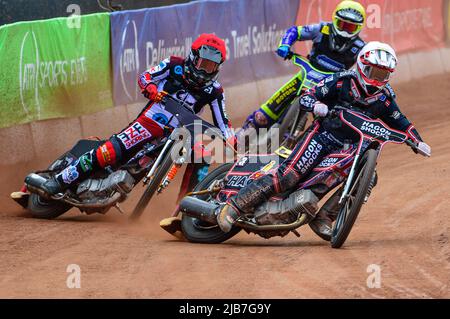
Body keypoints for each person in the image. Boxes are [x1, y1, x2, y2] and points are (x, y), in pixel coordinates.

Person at [216, 41, 432, 241]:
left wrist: (417, 141)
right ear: (361, 65)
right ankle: (234, 206)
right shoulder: (341, 81)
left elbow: (402, 123)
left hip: (350, 148)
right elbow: (309, 95)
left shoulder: (385, 99)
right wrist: (316, 105)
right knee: (289, 176)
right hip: (322, 137)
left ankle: (325, 217)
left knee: (369, 177)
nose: (377, 79)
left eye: (383, 74)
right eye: (374, 72)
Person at [35, 34, 234, 200]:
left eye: (210, 67)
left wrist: (233, 144)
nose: (203, 70)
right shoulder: (174, 65)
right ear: (192, 57)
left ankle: (189, 207)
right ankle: (59, 181)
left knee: (203, 154)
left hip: (180, 134)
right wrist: (152, 90)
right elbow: (145, 77)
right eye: (201, 64)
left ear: (218, 68)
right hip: (151, 121)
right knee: (109, 152)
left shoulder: (215, 91)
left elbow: (223, 123)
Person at [242, 0, 367, 131]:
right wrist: (285, 44)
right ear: (335, 20)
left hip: (331, 87)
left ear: (359, 27)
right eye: (342, 24)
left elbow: (366, 68)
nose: (345, 30)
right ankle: (241, 135)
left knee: (330, 126)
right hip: (306, 76)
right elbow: (295, 31)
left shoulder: (361, 47)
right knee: (261, 117)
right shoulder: (321, 29)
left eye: (350, 27)